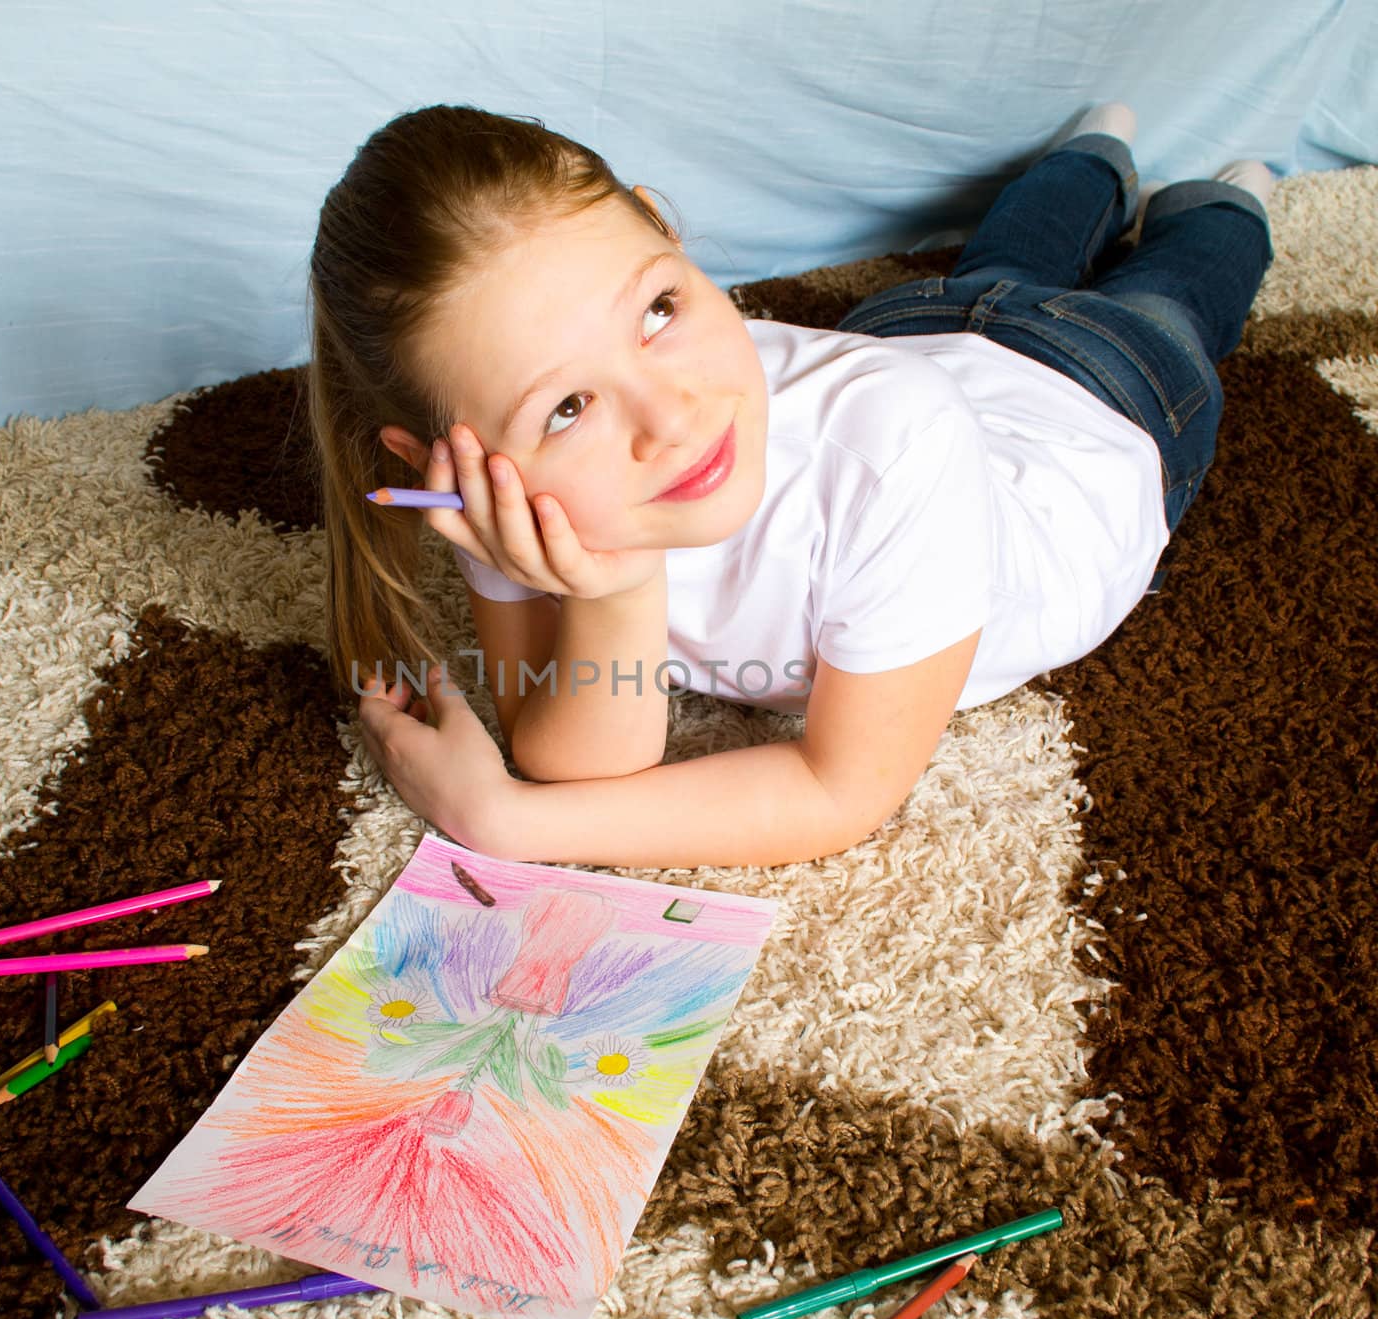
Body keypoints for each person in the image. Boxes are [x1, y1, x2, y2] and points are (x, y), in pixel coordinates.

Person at [307, 102, 1273, 869]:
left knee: (1172, 283)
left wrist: (506, 822)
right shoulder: (509, 500)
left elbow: (837, 789)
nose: (675, 416)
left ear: (662, 228)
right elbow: (574, 756)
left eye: (658, 308)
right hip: (912, 339)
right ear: (441, 460)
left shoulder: (892, 441)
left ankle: (1142, 170)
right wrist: (624, 587)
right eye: (568, 407)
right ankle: (1098, 161)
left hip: (1093, 398)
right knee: (1004, 266)